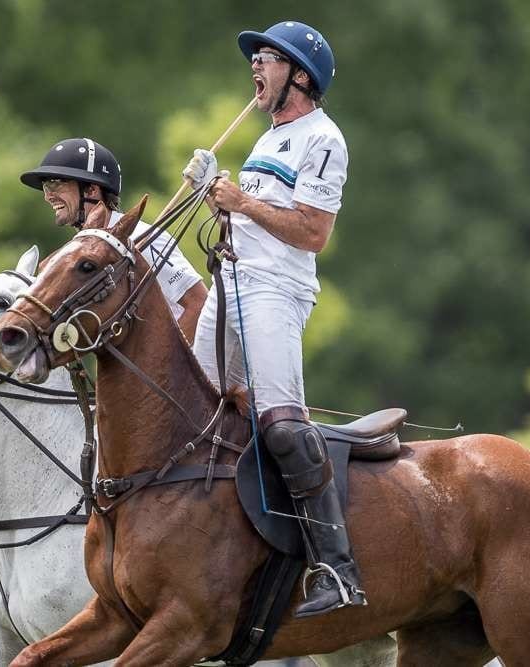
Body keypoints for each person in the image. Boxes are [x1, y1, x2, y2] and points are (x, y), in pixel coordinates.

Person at [183, 20, 358, 617]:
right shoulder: (264, 141)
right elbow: (253, 224)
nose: (255, 68)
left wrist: (242, 202)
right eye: (253, 59)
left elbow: (313, 233)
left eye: (268, 59)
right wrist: (214, 197)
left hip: (275, 293)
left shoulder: (323, 137)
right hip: (229, 286)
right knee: (191, 409)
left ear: (301, 76)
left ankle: (336, 570)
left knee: (281, 422)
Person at [21, 138, 207, 342]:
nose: (48, 196)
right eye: (46, 187)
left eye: (55, 184)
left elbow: (198, 303)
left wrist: (166, 369)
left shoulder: (141, 238)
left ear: (91, 190)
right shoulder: (80, 251)